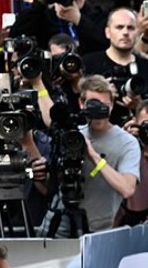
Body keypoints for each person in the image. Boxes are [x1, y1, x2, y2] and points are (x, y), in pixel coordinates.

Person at [41, 75, 140, 235]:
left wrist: (93, 155)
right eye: (93, 104)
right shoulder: (72, 136)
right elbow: (48, 184)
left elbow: (127, 189)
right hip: (59, 223)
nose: (98, 111)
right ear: (81, 104)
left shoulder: (127, 142)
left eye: (104, 105)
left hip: (96, 229)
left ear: (113, 105)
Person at [82, 7, 148, 95]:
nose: (125, 32)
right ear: (107, 32)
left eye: (130, 28)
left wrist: (139, 104)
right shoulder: (88, 64)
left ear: (137, 33)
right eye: (119, 27)